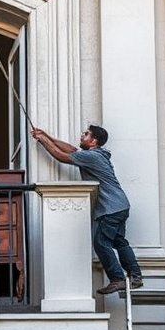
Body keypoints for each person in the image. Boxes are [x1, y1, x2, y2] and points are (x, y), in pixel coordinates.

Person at [31, 124, 143, 294]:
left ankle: (117, 279)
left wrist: (43, 141)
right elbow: (71, 149)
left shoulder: (91, 157)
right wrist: (46, 135)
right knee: (119, 242)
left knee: (101, 243)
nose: (82, 135)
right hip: (120, 205)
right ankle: (135, 276)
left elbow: (62, 156)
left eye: (86, 134)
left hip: (110, 207)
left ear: (94, 141)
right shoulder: (96, 155)